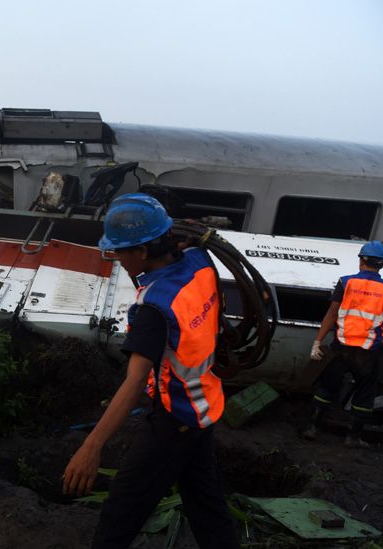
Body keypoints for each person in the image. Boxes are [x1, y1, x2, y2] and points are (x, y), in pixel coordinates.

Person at [62, 194, 239, 549]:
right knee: (206, 505)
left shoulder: (154, 309)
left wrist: (92, 446)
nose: (115, 258)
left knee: (122, 509)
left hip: (173, 419)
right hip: (203, 408)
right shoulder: (199, 261)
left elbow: (135, 380)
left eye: (119, 251)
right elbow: (189, 246)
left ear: (142, 252)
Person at [303, 240, 383, 448]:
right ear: (382, 264)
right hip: (368, 353)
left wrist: (317, 342)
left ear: (362, 260)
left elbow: (331, 314)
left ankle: (312, 427)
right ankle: (353, 437)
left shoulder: (346, 283)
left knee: (327, 386)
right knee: (365, 394)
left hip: (341, 347)